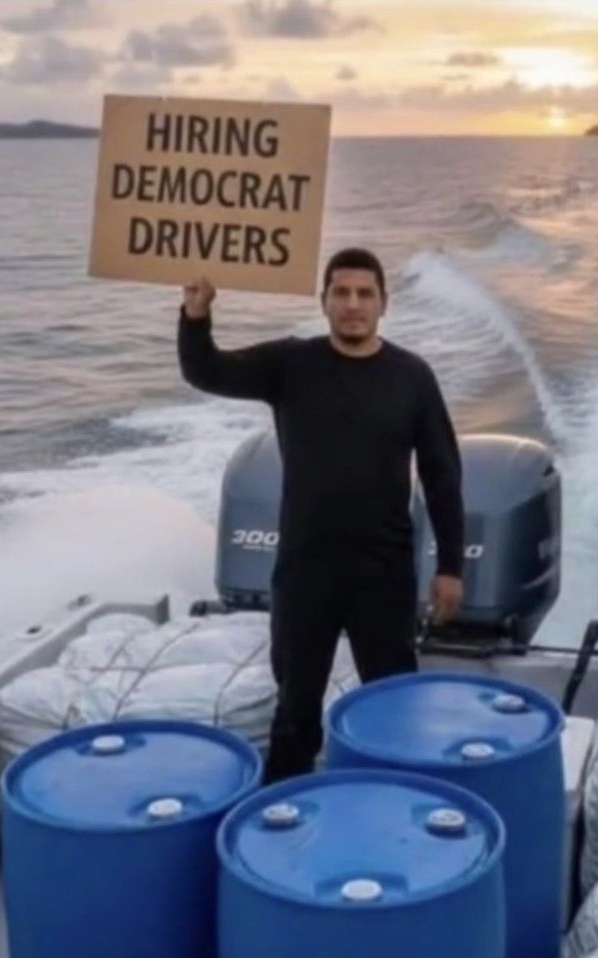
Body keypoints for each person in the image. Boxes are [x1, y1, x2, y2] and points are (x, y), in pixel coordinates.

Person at [178, 247, 464, 782]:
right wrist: (196, 314)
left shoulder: (412, 377)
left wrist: (451, 565)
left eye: (364, 294)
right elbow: (206, 371)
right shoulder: (291, 364)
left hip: (383, 572)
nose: (353, 304)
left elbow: (442, 473)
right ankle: (284, 809)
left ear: (383, 304)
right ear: (324, 301)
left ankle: (392, 800)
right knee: (295, 712)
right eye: (341, 292)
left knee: (391, 707)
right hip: (305, 570)